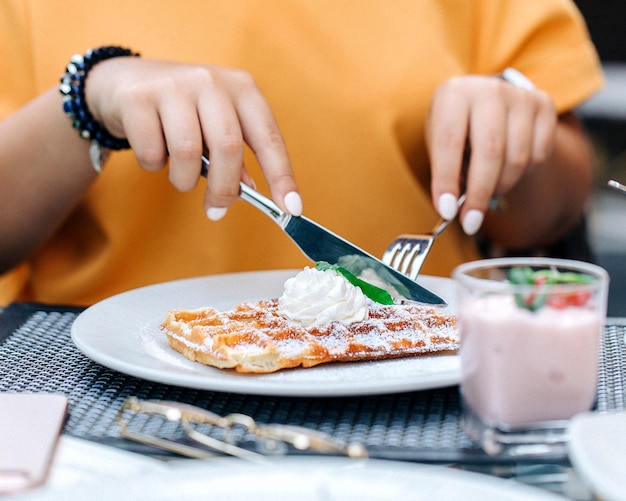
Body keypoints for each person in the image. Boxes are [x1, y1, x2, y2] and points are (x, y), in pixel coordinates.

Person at [0, 0, 603, 306]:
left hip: (428, 390)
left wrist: (511, 144)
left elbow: (546, 215)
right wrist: (85, 100)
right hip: (103, 406)